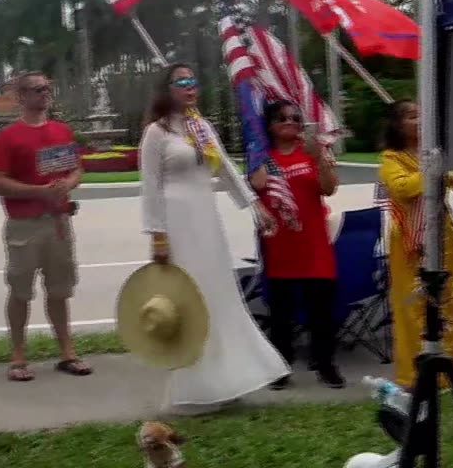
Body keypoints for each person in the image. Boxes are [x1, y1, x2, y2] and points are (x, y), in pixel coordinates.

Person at [139, 63, 288, 411]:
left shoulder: (200, 127)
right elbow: (149, 186)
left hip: (205, 218)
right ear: (167, 89)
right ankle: (193, 386)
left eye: (193, 81)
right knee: (189, 299)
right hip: (176, 223)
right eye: (182, 82)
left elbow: (225, 169)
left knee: (218, 293)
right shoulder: (156, 133)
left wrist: (255, 206)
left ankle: (227, 377)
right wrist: (157, 235)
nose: (190, 87)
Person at [377, 99, 453, 390]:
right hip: (410, 241)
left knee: (452, 301)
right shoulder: (391, 159)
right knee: (414, 304)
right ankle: (419, 375)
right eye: (410, 116)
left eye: (422, 115)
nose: (418, 121)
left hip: (443, 237)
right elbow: (403, 189)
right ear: (397, 125)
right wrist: (431, 169)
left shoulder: (440, 154)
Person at [0, 71, 92, 382]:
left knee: (60, 291)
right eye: (36, 89)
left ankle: (67, 354)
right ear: (21, 97)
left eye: (47, 88)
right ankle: (18, 358)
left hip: (59, 222)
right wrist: (37, 191)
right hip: (24, 225)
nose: (44, 93)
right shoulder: (7, 137)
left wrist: (67, 184)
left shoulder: (61, 131)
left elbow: (76, 169)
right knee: (21, 291)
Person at [250, 99, 345, 389]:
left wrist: (319, 158)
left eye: (295, 117)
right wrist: (257, 154)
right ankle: (281, 368)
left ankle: (326, 365)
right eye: (282, 118)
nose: (290, 121)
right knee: (281, 314)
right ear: (269, 126)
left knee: (321, 313)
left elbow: (329, 188)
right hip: (280, 247)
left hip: (314, 246)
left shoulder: (311, 152)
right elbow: (255, 186)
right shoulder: (263, 157)